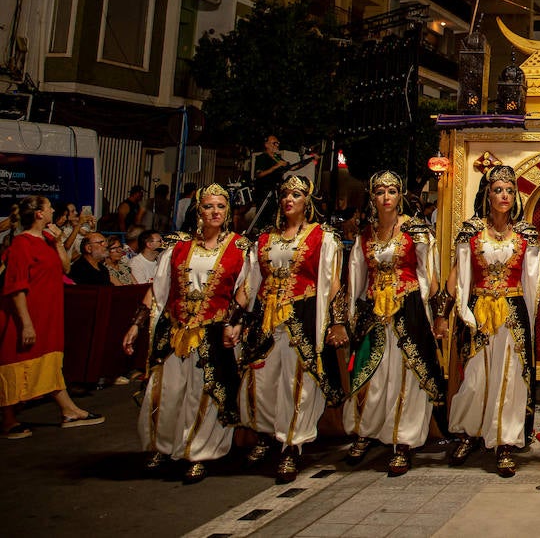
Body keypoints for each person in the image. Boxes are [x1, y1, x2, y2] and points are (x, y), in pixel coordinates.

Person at [121, 184, 251, 482]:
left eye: (220, 206)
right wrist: (135, 324)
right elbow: (159, 290)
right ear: (199, 211)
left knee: (203, 396)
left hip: (213, 334)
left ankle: (199, 452)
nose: (215, 212)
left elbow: (245, 290)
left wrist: (233, 321)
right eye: (208, 206)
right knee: (165, 392)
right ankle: (161, 446)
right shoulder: (177, 247)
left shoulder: (240, 248)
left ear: (228, 211)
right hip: (176, 331)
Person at [237, 175, 346, 483]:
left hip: (303, 315)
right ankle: (265, 434)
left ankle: (291, 444)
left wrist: (336, 322)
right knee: (260, 380)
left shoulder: (321, 237)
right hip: (266, 318)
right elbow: (251, 282)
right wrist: (236, 320)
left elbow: (333, 284)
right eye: (285, 195)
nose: (289, 200)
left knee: (297, 382)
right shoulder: (263, 239)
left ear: (306, 201)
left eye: (296, 195)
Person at [438, 165, 540, 477]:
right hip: (478, 311)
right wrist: (447, 313)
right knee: (475, 375)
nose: (504, 196)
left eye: (510, 191)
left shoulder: (526, 234)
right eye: (498, 190)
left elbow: (537, 279)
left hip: (512, 313)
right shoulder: (470, 231)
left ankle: (505, 441)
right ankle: (467, 433)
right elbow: (457, 276)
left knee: (509, 377)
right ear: (487, 194)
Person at [341, 170, 445, 476]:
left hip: (408, 308)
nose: (386, 197)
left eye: (392, 191)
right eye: (380, 192)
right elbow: (356, 279)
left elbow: (429, 276)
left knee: (406, 377)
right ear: (372, 197)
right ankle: (366, 431)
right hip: (374, 312)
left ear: (400, 196)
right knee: (371, 374)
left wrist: (431, 315)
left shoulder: (417, 231)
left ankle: (403, 441)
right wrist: (349, 316)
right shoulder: (365, 235)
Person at [1, 196, 105, 439]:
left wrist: (58, 241)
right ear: (39, 214)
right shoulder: (21, 244)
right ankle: (8, 418)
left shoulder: (47, 240)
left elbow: (65, 268)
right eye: (48, 207)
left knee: (48, 362)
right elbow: (16, 287)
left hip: (49, 312)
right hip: (27, 313)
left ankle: (68, 410)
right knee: (15, 363)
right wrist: (26, 323)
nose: (52, 211)